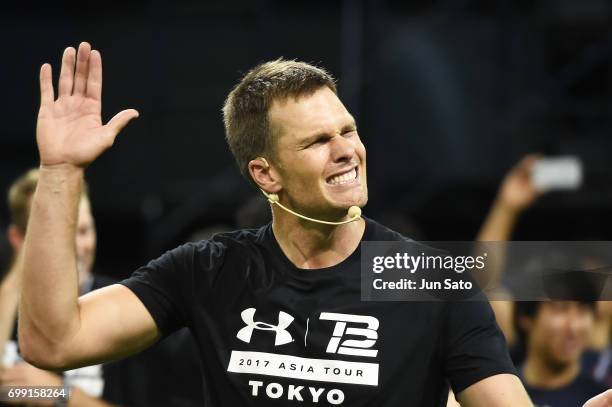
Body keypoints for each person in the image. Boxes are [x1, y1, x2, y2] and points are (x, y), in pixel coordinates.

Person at [16, 41, 612, 406]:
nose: (347, 149)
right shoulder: (209, 269)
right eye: (318, 141)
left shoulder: (429, 280)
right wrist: (61, 170)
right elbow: (53, 342)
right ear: (266, 174)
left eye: (348, 130)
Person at [0, 169, 116, 406]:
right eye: (57, 235)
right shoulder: (8, 304)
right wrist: (14, 283)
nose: (74, 247)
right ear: (18, 239)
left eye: (83, 231)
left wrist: (57, 393)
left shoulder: (122, 304)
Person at [515, 301, 607, 406]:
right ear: (526, 317)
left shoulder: (603, 401)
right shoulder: (499, 390)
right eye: (560, 309)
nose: (573, 327)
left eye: (583, 310)